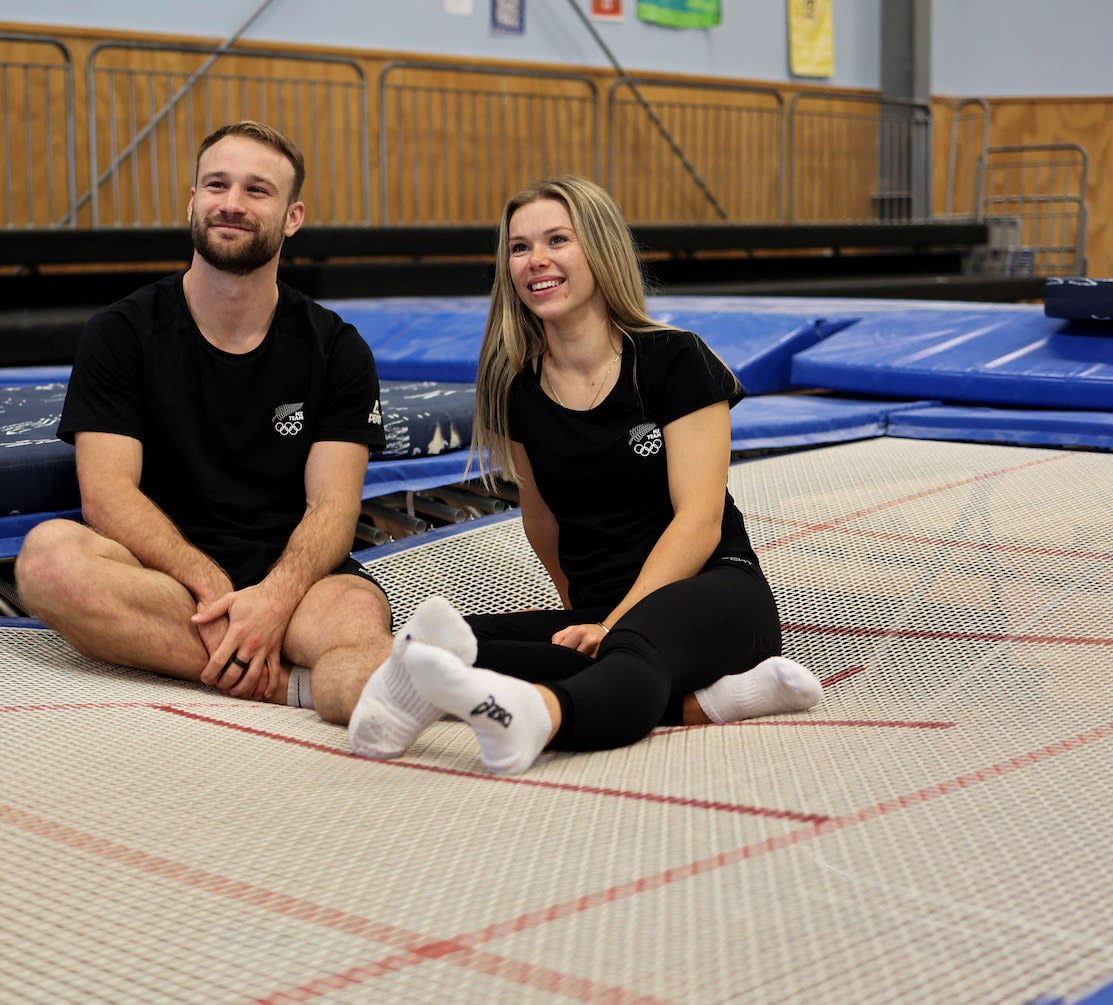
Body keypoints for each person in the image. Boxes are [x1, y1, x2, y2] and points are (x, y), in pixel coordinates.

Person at [348, 175, 824, 775]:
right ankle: (700, 704)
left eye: (556, 240)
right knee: (445, 642)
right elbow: (541, 520)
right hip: (604, 609)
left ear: (599, 250)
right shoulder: (518, 389)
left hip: (715, 591)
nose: (535, 261)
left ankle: (538, 715)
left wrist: (614, 623)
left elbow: (699, 521)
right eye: (519, 248)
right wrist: (585, 616)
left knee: (632, 648)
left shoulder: (674, 360)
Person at [13, 121, 391, 726]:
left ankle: (446, 693)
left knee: (357, 631)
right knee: (48, 561)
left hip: (295, 585)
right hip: (165, 579)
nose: (233, 204)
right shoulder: (120, 333)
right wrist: (217, 594)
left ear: (292, 218)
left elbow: (333, 511)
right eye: (217, 185)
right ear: (193, 203)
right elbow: (107, 496)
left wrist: (271, 600)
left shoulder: (338, 349)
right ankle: (282, 684)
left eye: (257, 190)